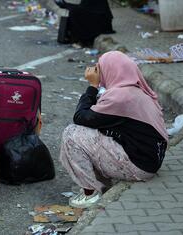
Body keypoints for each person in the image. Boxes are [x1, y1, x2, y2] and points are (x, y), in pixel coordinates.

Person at [59, 51, 168, 208]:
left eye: (101, 68)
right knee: (92, 134)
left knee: (72, 134)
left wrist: (92, 86)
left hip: (140, 166)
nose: (98, 71)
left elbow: (81, 117)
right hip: (149, 160)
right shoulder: (135, 91)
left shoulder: (121, 97)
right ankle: (103, 182)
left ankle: (90, 194)